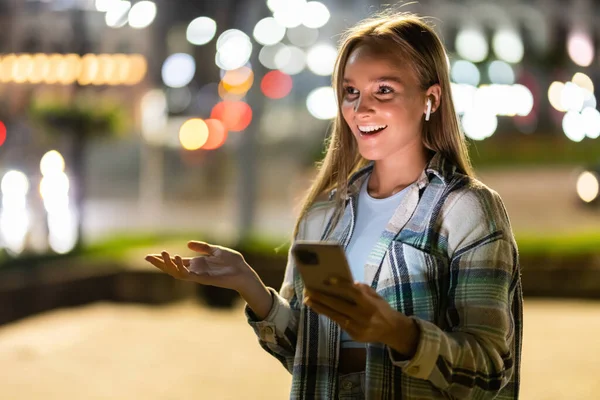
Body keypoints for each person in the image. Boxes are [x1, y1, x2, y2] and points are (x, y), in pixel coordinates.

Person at [145, 11, 523, 399]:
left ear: (430, 99)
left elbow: (489, 372)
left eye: (384, 91)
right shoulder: (323, 214)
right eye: (350, 92)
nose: (361, 109)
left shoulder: (467, 210)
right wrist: (249, 285)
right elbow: (301, 354)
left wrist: (399, 332)